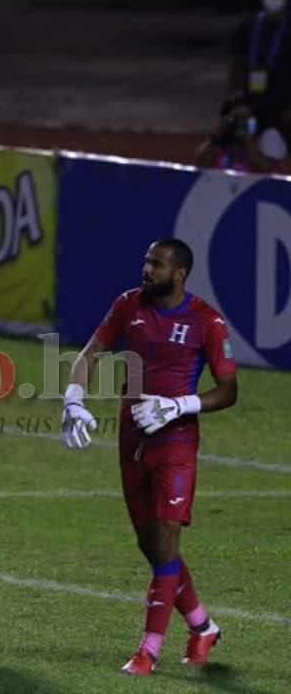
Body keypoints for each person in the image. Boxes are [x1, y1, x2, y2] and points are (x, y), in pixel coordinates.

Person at [60, 238, 237, 676]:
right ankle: (202, 626)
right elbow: (91, 353)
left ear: (179, 274)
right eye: (145, 261)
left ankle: (148, 650)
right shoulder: (128, 304)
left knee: (166, 540)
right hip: (131, 435)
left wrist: (180, 405)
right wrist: (73, 399)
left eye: (156, 264)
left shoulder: (206, 321)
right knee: (152, 545)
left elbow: (229, 390)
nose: (146, 269)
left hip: (175, 442)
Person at [228, 0, 291, 134]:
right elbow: (237, 67)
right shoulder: (247, 26)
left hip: (282, 107)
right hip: (250, 104)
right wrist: (236, 101)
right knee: (223, 141)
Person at [194, 92, 287, 173]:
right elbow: (200, 165)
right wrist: (215, 136)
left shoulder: (264, 138)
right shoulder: (221, 139)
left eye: (246, 119)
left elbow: (264, 169)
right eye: (237, 118)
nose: (242, 123)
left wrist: (247, 139)